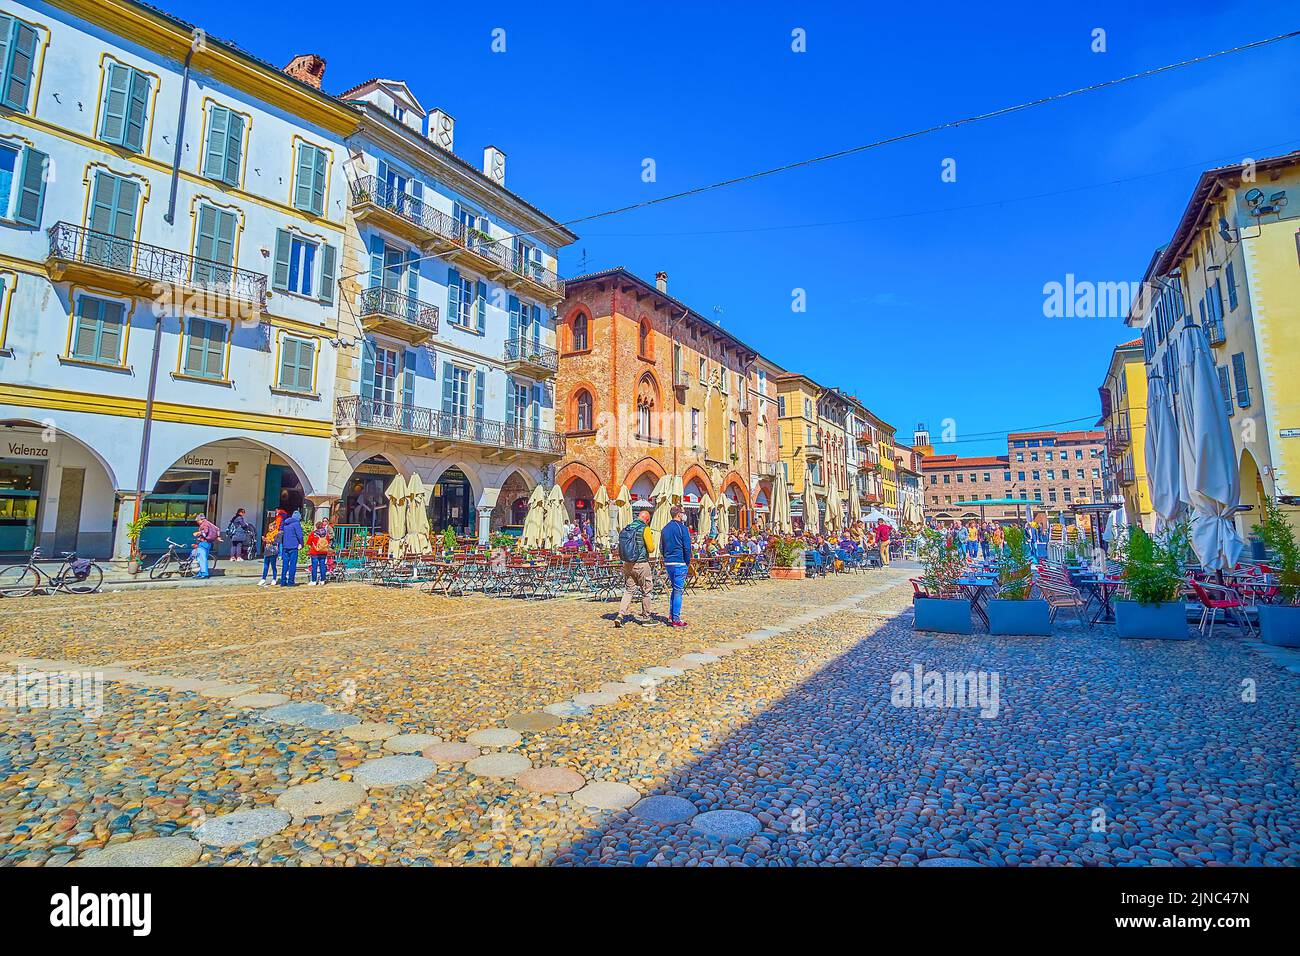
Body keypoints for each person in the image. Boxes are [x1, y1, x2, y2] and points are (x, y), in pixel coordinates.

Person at [614, 507, 658, 628]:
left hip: (627, 564)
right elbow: (651, 548)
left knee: (629, 591)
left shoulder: (627, 527)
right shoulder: (645, 528)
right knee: (646, 590)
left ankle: (620, 615)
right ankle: (646, 618)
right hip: (641, 563)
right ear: (647, 519)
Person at [660, 504, 693, 627]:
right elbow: (687, 547)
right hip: (680, 562)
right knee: (678, 591)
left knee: (674, 589)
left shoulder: (664, 528)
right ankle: (676, 619)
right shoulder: (683, 529)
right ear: (679, 514)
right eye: (683, 513)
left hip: (669, 563)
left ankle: (671, 615)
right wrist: (687, 561)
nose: (684, 515)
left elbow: (661, 547)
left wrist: (666, 558)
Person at [279, 509, 305, 587]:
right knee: (292, 565)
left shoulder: (286, 523)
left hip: (285, 546)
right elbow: (299, 535)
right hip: (293, 546)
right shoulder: (296, 524)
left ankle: (283, 581)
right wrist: (301, 544)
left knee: (285, 564)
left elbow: (282, 533)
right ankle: (290, 581)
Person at [192, 513, 220, 579]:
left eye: (197, 521)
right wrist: (218, 537)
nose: (197, 522)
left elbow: (205, 532)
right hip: (208, 543)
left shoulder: (204, 524)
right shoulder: (209, 523)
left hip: (203, 543)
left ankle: (204, 573)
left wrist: (198, 533)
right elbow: (217, 529)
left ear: (201, 520)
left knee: (201, 558)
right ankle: (201, 573)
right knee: (203, 558)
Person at [307, 519, 332, 585]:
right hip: (323, 552)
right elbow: (328, 542)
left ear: (316, 526)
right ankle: (322, 580)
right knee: (322, 566)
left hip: (315, 552)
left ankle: (314, 581)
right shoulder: (326, 534)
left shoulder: (313, 533)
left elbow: (309, 542)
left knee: (314, 566)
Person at [259, 516, 282, 586]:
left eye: (271, 527)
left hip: (273, 551)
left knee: (273, 566)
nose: (269, 529)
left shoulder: (277, 534)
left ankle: (274, 579)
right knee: (266, 566)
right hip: (267, 550)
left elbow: (277, 542)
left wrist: (270, 540)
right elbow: (267, 541)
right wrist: (265, 539)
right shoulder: (268, 534)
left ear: (274, 527)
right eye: (269, 527)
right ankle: (263, 579)